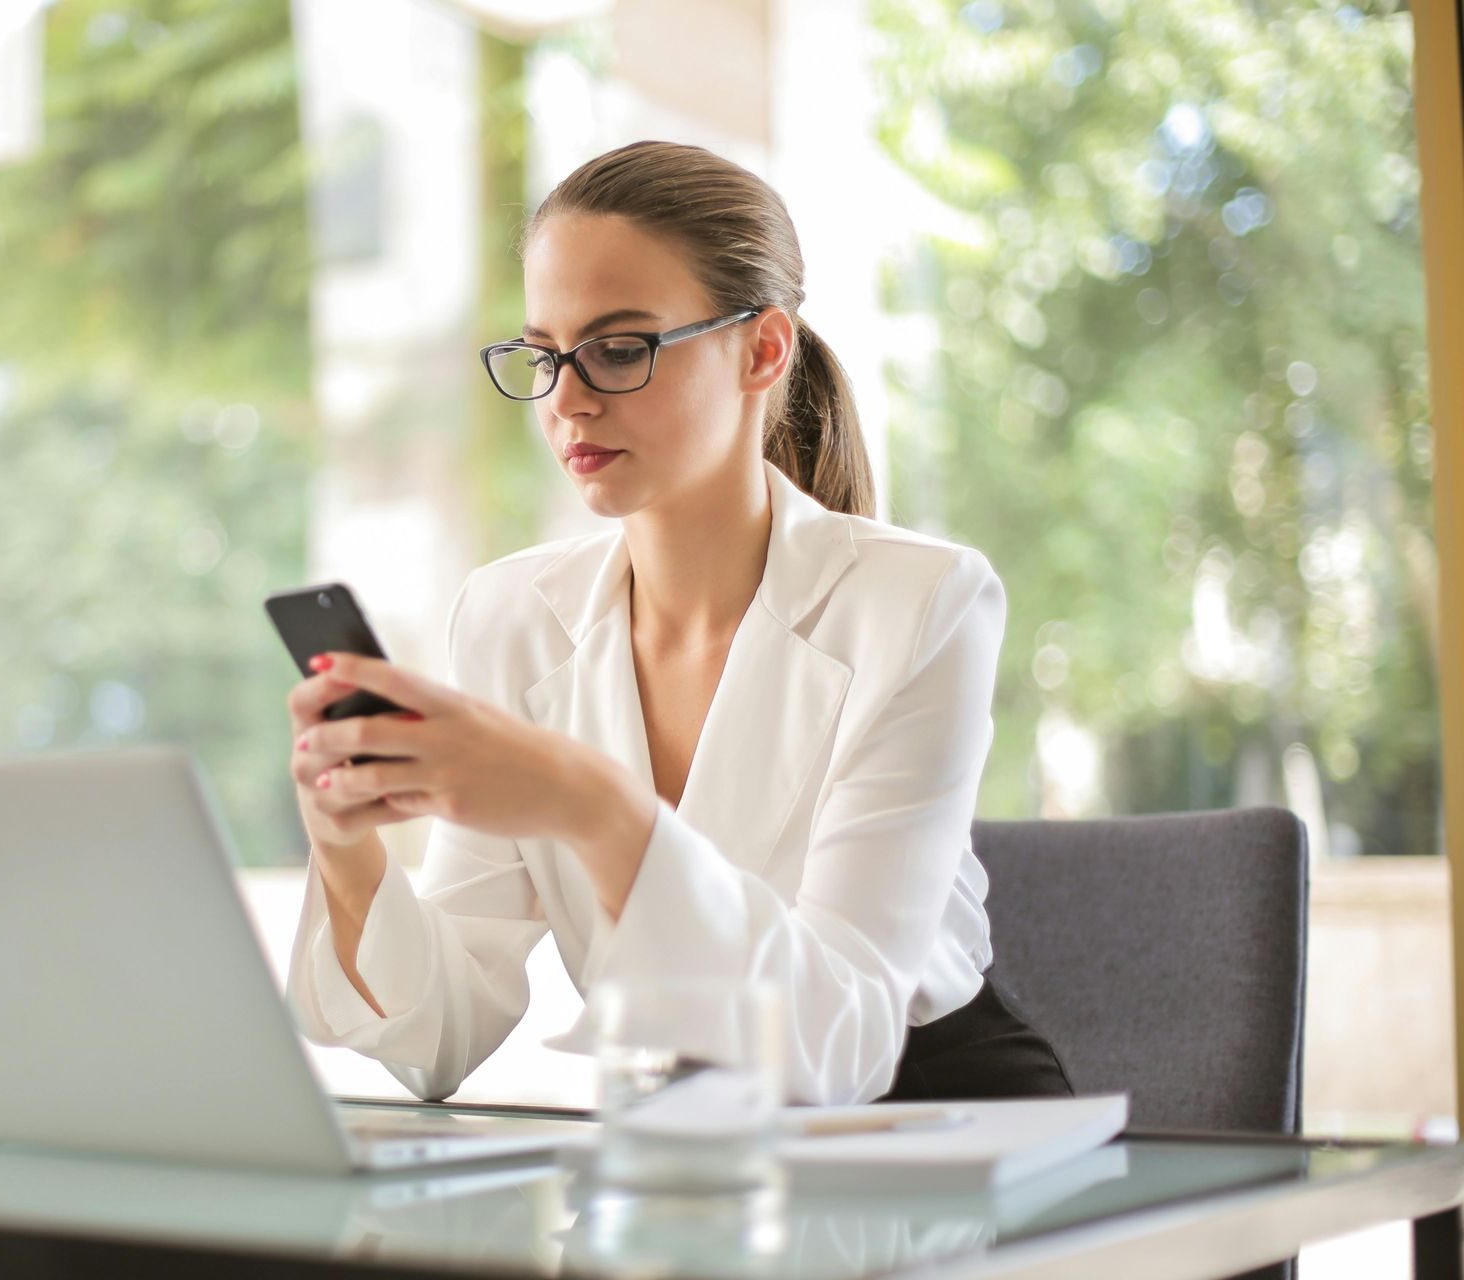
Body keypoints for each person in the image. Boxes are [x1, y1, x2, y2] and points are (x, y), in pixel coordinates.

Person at [280, 140, 1073, 1106]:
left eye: (619, 349)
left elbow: (843, 1044)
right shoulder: (511, 617)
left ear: (762, 349)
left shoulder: (921, 602)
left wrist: (592, 805)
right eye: (543, 355)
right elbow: (439, 1038)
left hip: (936, 1126)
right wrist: (346, 841)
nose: (567, 400)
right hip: (688, 1148)